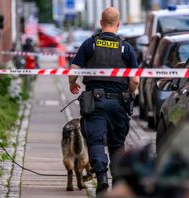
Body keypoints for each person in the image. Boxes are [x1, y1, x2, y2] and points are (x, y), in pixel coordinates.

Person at [68, 7, 139, 195]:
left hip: (95, 103)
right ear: (118, 24)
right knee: (117, 144)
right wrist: (129, 92)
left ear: (101, 23)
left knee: (96, 141)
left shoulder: (90, 44)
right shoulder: (126, 47)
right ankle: (117, 184)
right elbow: (135, 80)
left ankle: (101, 179)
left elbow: (73, 70)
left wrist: (72, 84)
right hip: (119, 104)